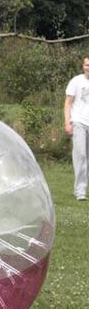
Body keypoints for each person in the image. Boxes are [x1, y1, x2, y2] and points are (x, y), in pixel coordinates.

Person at [64, 56, 89, 201]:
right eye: (87, 65)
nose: (88, 68)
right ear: (83, 66)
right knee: (81, 156)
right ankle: (80, 191)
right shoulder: (76, 81)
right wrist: (68, 122)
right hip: (78, 122)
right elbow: (68, 103)